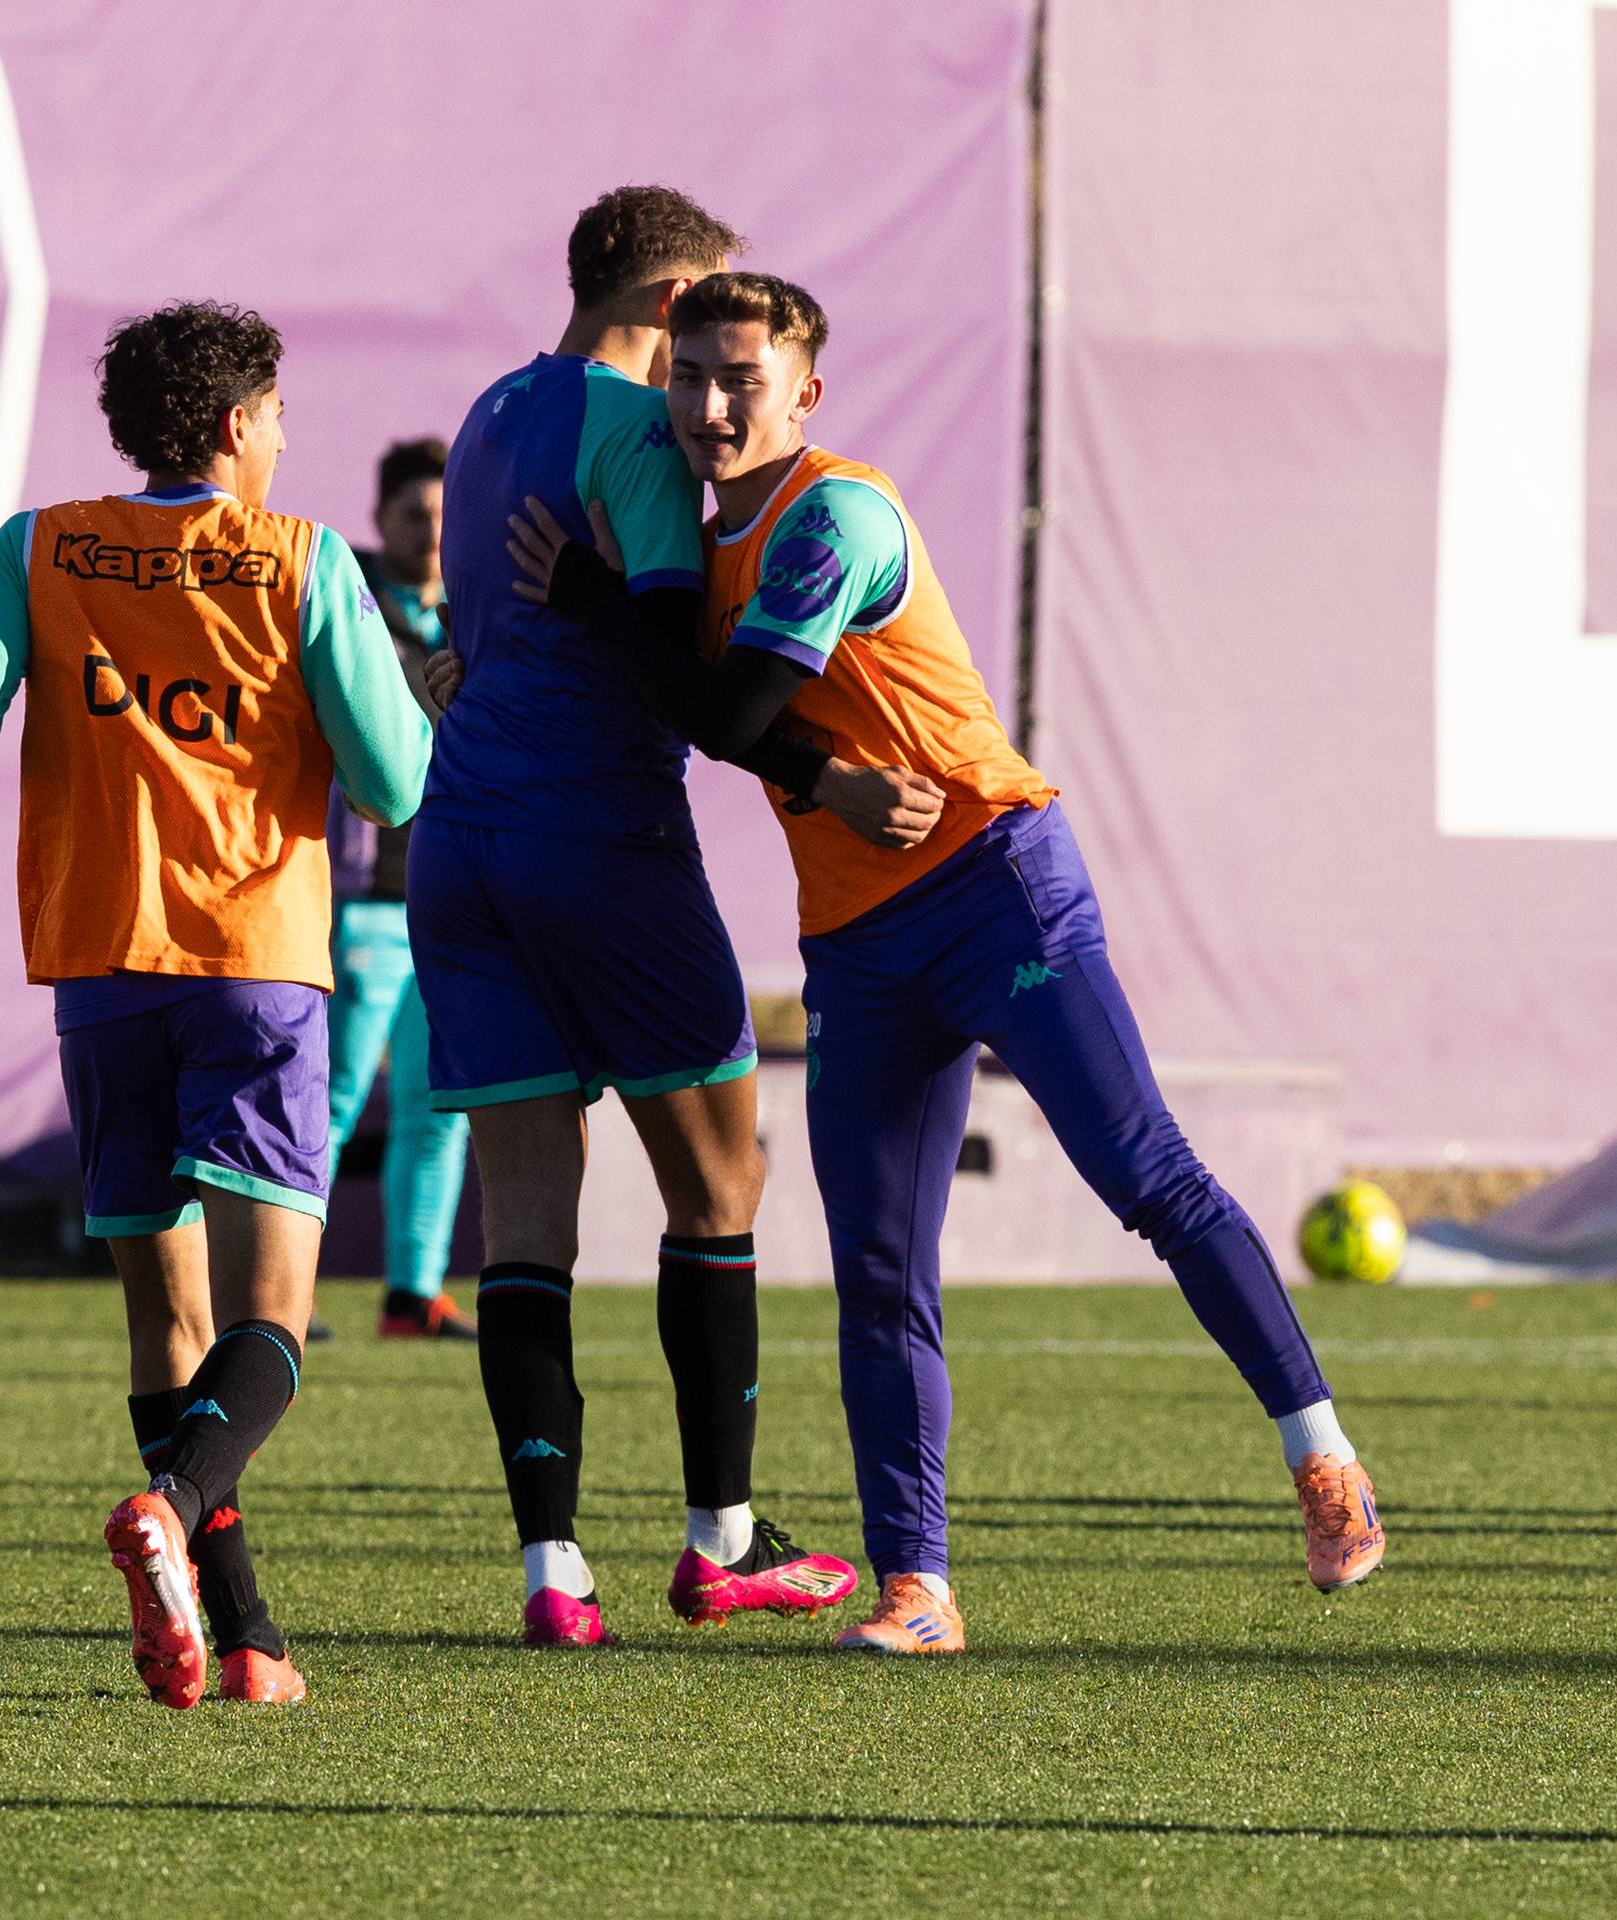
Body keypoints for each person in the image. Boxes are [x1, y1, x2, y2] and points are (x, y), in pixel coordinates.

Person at [503, 270, 1388, 1657]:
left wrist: (595, 607)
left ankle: (1319, 1453)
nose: (709, 405)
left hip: (990, 885)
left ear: (806, 393)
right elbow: (681, 691)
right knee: (874, 1269)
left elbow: (726, 709)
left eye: (743, 379)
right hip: (856, 940)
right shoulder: (687, 534)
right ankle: (918, 1587)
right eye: (689, 376)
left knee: (1142, 1177)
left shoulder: (832, 514)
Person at [0, 300, 430, 1708]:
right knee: (272, 1319)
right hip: (253, 962)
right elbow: (393, 786)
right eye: (272, 413)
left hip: (99, 973)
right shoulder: (301, 561)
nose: (279, 436)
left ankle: (246, 1636)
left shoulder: (37, 547)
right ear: (234, 424)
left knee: (164, 1317)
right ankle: (174, 1506)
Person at [412, 187, 908, 1647]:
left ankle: (550, 1574)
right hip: (596, 835)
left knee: (523, 1228)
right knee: (718, 1192)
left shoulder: (492, 409)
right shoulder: (631, 433)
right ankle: (721, 1539)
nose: (706, 381)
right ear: (675, 296)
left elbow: (471, 635)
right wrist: (822, 762)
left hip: (460, 843)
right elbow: (683, 672)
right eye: (702, 328)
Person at [324, 437, 478, 1341]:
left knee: (437, 1105)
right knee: (328, 1101)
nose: (429, 532)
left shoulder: (476, 613)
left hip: (455, 896)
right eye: (413, 515)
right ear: (378, 519)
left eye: (443, 515)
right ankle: (279, 1300)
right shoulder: (346, 606)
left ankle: (411, 1293)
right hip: (367, 897)